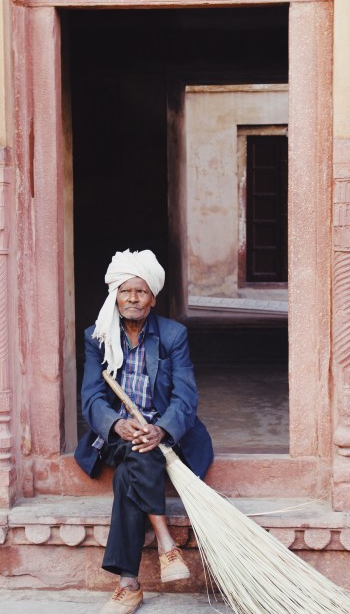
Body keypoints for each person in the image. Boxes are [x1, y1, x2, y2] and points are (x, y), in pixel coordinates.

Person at [74, 249, 214, 614]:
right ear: (115, 296)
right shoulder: (97, 336)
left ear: (152, 297)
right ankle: (167, 544)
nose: (133, 298)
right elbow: (91, 398)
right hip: (115, 434)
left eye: (141, 291)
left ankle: (128, 585)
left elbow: (185, 396)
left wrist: (161, 429)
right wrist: (117, 424)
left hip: (160, 432)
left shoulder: (173, 335)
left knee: (131, 468)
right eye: (125, 291)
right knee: (135, 450)